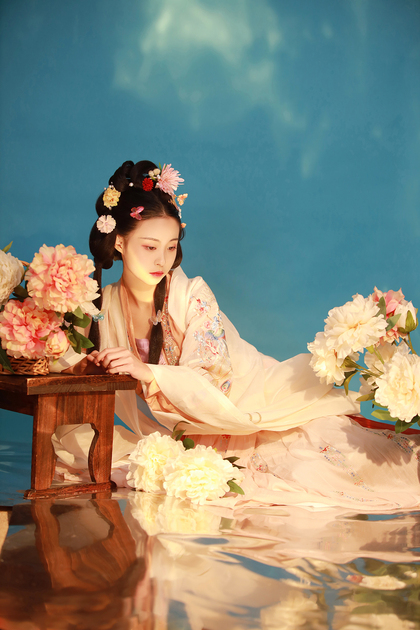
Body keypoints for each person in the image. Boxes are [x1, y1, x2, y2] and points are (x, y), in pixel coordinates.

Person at [52, 159, 420, 511]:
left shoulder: (192, 294)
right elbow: (63, 359)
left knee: (317, 468)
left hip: (251, 402)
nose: (161, 260)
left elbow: (212, 376)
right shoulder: (100, 306)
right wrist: (88, 363)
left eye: (171, 247)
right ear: (119, 242)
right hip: (184, 429)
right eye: (149, 247)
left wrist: (146, 371)